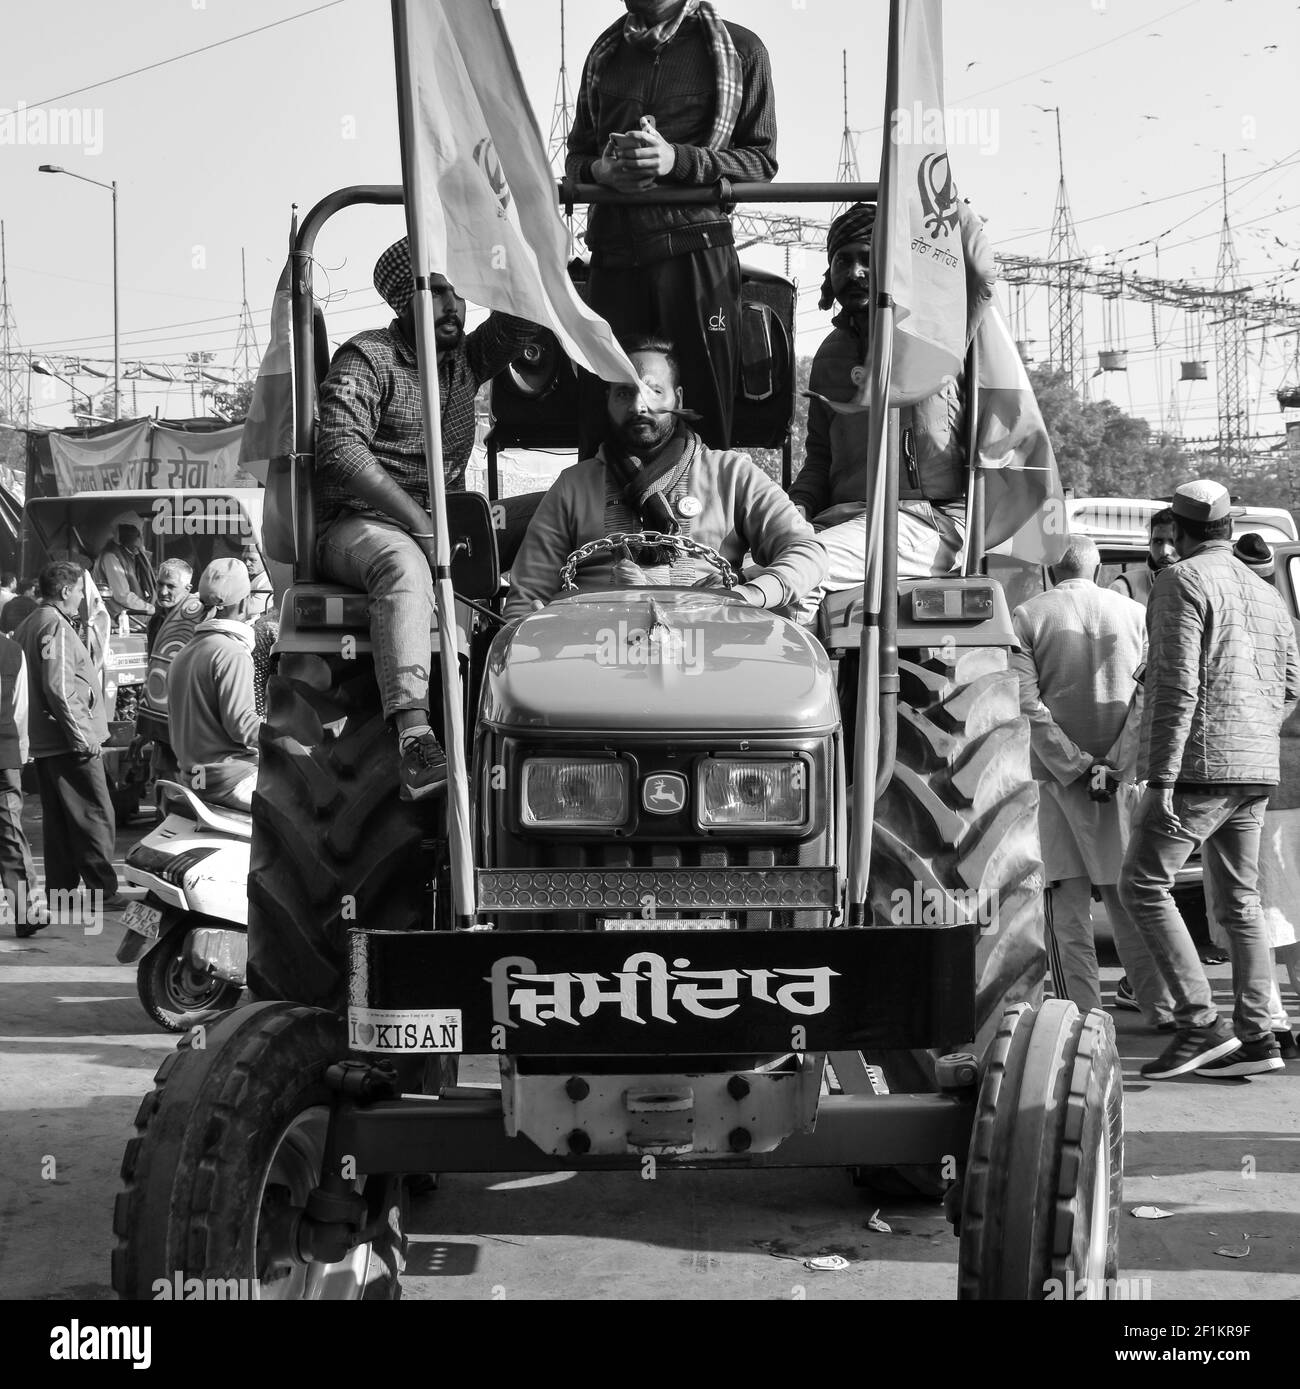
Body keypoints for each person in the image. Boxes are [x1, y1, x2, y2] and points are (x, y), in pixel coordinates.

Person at [315, 237, 541, 800]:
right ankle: (415, 735)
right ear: (401, 301)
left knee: (558, 504)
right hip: (363, 527)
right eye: (435, 291)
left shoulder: (464, 356)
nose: (452, 305)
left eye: (459, 291)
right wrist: (418, 522)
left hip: (450, 526)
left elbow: (520, 324)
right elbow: (340, 451)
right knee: (403, 564)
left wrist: (518, 239)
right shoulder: (367, 358)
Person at [1118, 480, 1300, 1079]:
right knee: (1241, 903)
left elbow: (1176, 684)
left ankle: (1200, 1023)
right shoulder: (1266, 590)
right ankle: (1258, 1036)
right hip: (1255, 766)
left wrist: (1162, 778)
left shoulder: (1181, 581)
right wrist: (1254, 731)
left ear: (1178, 528)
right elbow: (1292, 686)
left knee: (1143, 884)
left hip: (1199, 764)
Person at [567, 0, 777, 456]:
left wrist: (675, 160)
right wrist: (603, 173)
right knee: (605, 407)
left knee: (701, 413)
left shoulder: (742, 50)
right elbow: (576, 160)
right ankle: (603, 524)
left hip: (697, 254)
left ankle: (702, 521)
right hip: (614, 256)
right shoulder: (605, 54)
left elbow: (760, 162)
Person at [506, 335, 826, 619]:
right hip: (594, 657)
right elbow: (525, 599)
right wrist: (533, 629)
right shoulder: (572, 486)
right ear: (608, 402)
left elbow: (807, 552)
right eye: (623, 393)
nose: (638, 405)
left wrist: (749, 595)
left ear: (678, 399)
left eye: (654, 390)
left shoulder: (732, 474)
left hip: (710, 652)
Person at [1010, 537, 1174, 1027]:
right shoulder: (1133, 613)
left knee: (1066, 912)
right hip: (1120, 786)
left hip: (1054, 786)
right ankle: (1163, 1009)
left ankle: (1083, 1016)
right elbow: (1148, 698)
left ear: (1050, 571)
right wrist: (1115, 765)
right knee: (1132, 905)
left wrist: (1077, 765)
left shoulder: (1027, 616)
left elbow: (1026, 705)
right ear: (1099, 569)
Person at [789, 199, 997, 585]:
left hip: (928, 520)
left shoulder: (935, 327)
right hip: (843, 520)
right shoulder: (829, 356)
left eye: (868, 258)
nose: (854, 273)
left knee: (798, 574)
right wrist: (796, 506)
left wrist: (948, 207)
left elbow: (982, 277)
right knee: (745, 571)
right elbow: (819, 459)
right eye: (842, 260)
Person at [14, 561, 120, 907]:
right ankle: (102, 891)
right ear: (64, 592)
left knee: (59, 821)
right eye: (77, 592)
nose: (80, 598)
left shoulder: (30, 623)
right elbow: (58, 685)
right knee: (93, 813)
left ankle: (60, 892)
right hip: (69, 739)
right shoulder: (55, 625)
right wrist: (81, 735)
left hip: (48, 740)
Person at [167, 559, 261, 813]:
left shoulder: (184, 653)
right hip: (229, 779)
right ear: (244, 602)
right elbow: (242, 725)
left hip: (193, 778)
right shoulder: (231, 653)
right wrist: (287, 737)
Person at [136, 559, 207, 785]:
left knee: (183, 787)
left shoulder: (200, 616)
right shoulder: (157, 619)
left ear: (188, 589)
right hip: (163, 722)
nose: (163, 591)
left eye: (170, 586)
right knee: (164, 782)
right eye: (159, 584)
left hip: (188, 722)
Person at [0, 624, 42, 937]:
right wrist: (22, 753)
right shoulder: (12, 651)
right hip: (4, 756)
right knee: (9, 833)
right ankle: (25, 912)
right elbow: (20, 708)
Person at [93, 516, 156, 629]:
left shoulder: (130, 555)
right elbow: (122, 595)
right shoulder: (111, 557)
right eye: (137, 536)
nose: (140, 541)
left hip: (131, 615)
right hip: (119, 618)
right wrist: (150, 608)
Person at [1109, 507, 1176, 606]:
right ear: (1149, 544)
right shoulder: (1124, 588)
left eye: (1173, 542)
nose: (1165, 551)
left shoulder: (1200, 587)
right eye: (1158, 541)